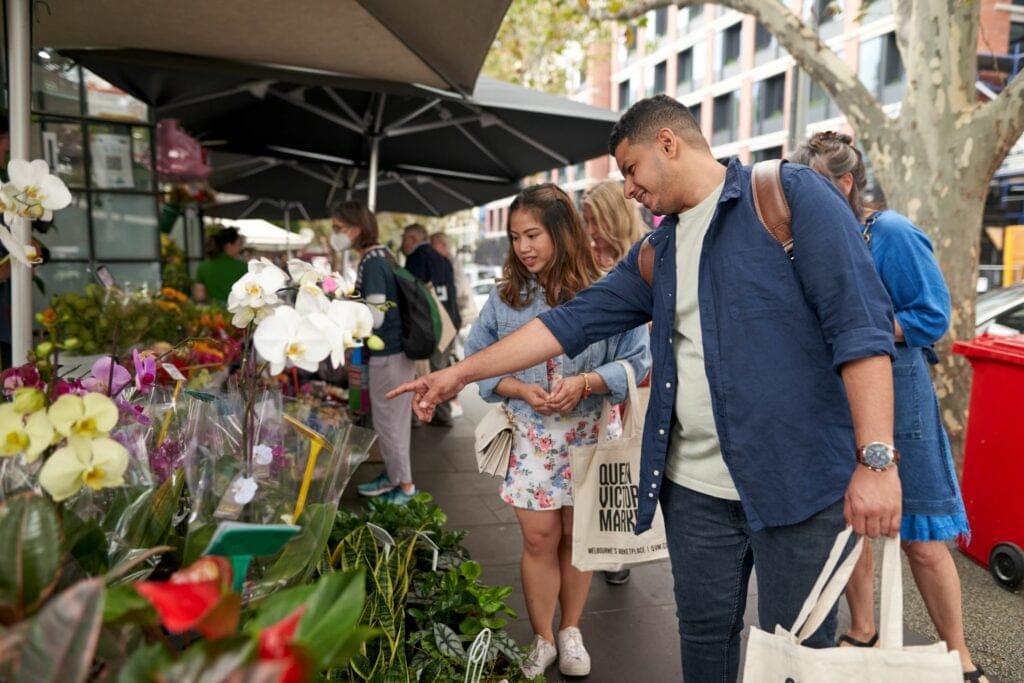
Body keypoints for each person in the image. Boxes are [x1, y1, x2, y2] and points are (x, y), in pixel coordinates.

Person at [390, 95, 901, 682]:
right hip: (695, 493)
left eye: (631, 170)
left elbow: (860, 328)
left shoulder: (788, 195)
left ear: (668, 143)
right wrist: (460, 373)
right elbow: (568, 322)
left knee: (798, 653)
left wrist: (877, 461)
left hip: (797, 487)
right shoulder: (659, 251)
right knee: (703, 641)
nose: (629, 190)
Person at [790, 131, 986, 683]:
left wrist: (858, 327)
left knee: (922, 538)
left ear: (846, 184)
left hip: (901, 400)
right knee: (850, 526)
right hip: (836, 399)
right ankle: (864, 628)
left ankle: (958, 656)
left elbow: (931, 316)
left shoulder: (891, 232)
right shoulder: (810, 242)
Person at [466, 183, 649, 679]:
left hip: (590, 434)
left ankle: (570, 631)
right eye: (515, 237)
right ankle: (543, 638)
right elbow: (475, 361)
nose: (523, 247)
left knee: (576, 537)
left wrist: (587, 382)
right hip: (531, 437)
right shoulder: (505, 298)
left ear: (562, 232)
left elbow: (637, 360)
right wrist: (519, 389)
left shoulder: (609, 290)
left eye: (533, 235)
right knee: (538, 539)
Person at [581, 179, 649, 587]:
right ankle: (608, 545)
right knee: (605, 461)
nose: (590, 230)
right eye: (586, 221)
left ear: (614, 217)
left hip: (642, 375)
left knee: (627, 462)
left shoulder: (647, 252)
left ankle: (618, 547)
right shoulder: (585, 259)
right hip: (605, 376)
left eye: (594, 220)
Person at [333, 201, 418, 505]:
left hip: (389, 356)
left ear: (356, 229)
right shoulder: (382, 256)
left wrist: (343, 309)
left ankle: (405, 487)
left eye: (338, 228)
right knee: (391, 422)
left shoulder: (373, 262)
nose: (335, 234)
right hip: (393, 355)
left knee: (389, 424)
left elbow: (376, 317)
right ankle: (394, 476)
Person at [401, 223, 461, 427]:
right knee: (440, 370)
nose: (402, 244)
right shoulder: (444, 260)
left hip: (426, 326)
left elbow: (412, 295)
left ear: (411, 239)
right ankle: (442, 413)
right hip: (449, 322)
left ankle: (417, 415)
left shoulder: (415, 259)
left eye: (404, 238)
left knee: (417, 371)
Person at [582, 179, 647, 272]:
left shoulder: (650, 255)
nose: (590, 231)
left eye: (596, 221)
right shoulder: (587, 260)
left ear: (617, 218)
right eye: (586, 222)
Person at [193, 227, 247, 305]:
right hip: (236, 310)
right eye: (238, 244)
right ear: (229, 245)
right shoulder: (243, 267)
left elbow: (199, 296)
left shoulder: (203, 267)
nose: (240, 248)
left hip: (214, 311)